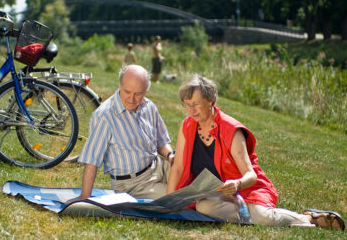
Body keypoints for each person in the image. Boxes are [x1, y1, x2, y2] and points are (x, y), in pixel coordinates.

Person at [166, 74, 345, 230]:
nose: (191, 110)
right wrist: (166, 203)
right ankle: (251, 215)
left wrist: (236, 184)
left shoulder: (231, 130)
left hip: (246, 188)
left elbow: (250, 175)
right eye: (187, 105)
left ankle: (308, 218)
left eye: (196, 104)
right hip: (213, 193)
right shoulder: (187, 125)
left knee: (264, 217)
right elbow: (178, 167)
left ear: (211, 100)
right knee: (204, 208)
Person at [73, 64, 175, 202]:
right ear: (119, 86)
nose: (131, 99)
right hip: (133, 184)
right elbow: (92, 160)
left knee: (194, 180)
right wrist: (85, 196)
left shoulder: (149, 106)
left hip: (158, 167)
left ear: (146, 90)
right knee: (178, 196)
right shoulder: (104, 116)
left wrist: (170, 155)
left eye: (138, 94)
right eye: (127, 92)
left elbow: (161, 141)